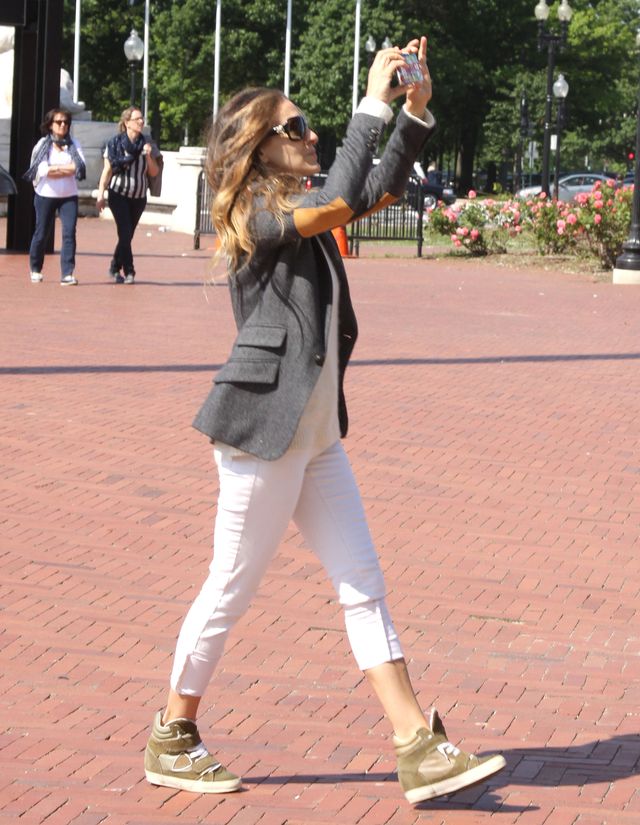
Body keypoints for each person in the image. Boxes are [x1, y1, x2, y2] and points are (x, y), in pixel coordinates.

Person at [143, 37, 506, 805]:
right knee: (231, 588)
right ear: (262, 147)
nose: (313, 137)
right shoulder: (252, 211)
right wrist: (369, 102)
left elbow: (370, 189)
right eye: (299, 127)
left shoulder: (303, 205)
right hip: (263, 433)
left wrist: (413, 110)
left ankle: (417, 744)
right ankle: (174, 732)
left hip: (315, 435)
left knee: (363, 584)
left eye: (311, 126)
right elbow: (341, 195)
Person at [96, 106, 160, 284]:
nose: (141, 122)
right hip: (119, 194)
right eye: (137, 119)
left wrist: (148, 156)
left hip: (139, 196)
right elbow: (107, 171)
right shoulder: (115, 143)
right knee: (124, 232)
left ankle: (115, 267)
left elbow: (154, 172)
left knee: (127, 235)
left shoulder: (147, 143)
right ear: (127, 123)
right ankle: (130, 270)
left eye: (142, 119)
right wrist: (100, 194)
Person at [24, 108, 86, 285]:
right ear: (50, 125)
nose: (63, 125)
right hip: (46, 195)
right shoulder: (43, 145)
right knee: (42, 232)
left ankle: (67, 273)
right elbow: (42, 170)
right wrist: (63, 169)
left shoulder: (74, 144)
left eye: (66, 122)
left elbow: (79, 167)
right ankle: (35, 268)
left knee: (69, 233)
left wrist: (55, 169)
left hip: (69, 195)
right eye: (59, 122)